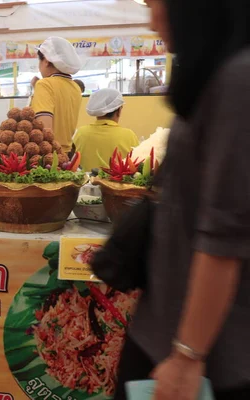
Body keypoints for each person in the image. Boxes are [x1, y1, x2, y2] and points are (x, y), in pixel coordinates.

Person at [114, 1, 250, 399]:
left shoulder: (239, 81)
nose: (152, 16)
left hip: (212, 354)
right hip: (164, 327)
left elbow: (224, 237)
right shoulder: (215, 75)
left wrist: (188, 356)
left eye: (157, 1)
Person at [30, 37, 83, 153]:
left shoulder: (44, 84)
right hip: (67, 153)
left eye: (40, 61)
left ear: (46, 61)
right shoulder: (75, 87)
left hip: (50, 155)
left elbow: (45, 128)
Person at [72, 88, 138, 171]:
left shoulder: (80, 133)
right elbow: (137, 163)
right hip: (117, 183)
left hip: (86, 183)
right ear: (118, 111)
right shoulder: (129, 135)